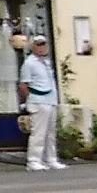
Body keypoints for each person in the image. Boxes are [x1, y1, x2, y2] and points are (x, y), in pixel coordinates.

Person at [16, 35, 64, 171]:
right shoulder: (29, 63)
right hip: (38, 101)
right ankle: (33, 160)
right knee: (39, 133)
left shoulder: (46, 62)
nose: (41, 47)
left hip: (50, 100)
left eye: (43, 44)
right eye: (38, 44)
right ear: (33, 47)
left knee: (50, 133)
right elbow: (23, 85)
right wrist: (28, 100)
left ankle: (51, 159)